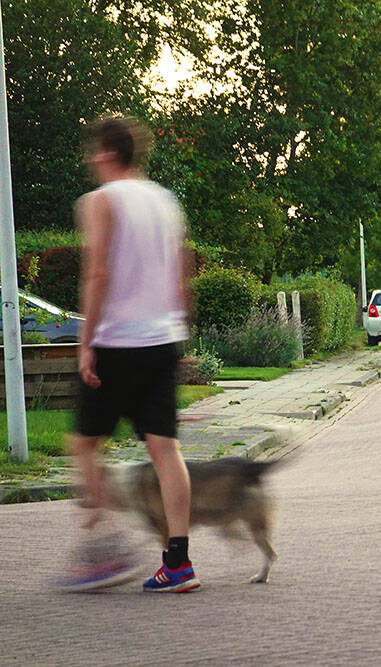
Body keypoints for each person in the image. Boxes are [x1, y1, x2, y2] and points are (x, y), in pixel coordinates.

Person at [59, 115, 198, 593]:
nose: (90, 160)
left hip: (118, 341)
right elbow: (182, 271)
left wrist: (86, 344)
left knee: (82, 443)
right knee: (164, 450)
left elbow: (97, 274)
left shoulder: (100, 201)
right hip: (162, 339)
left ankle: (104, 553)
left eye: (93, 152)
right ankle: (178, 563)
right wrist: (179, 336)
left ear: (105, 153)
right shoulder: (165, 201)